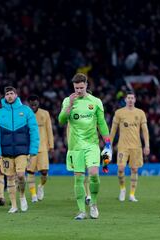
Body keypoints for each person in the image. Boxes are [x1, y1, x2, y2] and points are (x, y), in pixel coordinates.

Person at [58, 73, 111, 220]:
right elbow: (61, 120)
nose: (79, 90)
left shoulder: (96, 102)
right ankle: (81, 211)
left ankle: (93, 204)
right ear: (73, 87)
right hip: (75, 147)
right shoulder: (68, 101)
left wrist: (107, 142)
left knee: (94, 174)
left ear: (86, 85)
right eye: (76, 88)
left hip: (92, 145)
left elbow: (101, 123)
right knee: (79, 179)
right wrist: (69, 105)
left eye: (81, 87)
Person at [0, 86, 39, 213]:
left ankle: (22, 196)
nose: (10, 96)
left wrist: (33, 150)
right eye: (7, 94)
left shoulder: (26, 111)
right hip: (6, 152)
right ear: (4, 96)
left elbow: (34, 131)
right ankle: (14, 205)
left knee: (21, 175)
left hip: (22, 151)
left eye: (11, 93)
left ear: (16, 95)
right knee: (10, 178)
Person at [110, 91, 150, 202]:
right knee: (121, 168)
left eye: (132, 98)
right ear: (125, 99)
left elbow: (145, 130)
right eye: (128, 98)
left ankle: (132, 194)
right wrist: (109, 144)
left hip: (136, 146)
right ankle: (122, 189)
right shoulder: (119, 113)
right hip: (122, 146)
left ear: (135, 99)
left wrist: (147, 145)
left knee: (134, 169)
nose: (130, 100)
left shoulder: (140, 113)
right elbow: (113, 130)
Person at [26, 95, 54, 202]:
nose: (33, 105)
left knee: (44, 172)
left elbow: (49, 130)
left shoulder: (45, 113)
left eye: (35, 103)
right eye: (31, 103)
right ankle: (33, 195)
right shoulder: (25, 114)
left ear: (38, 103)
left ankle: (41, 187)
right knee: (30, 172)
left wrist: (51, 145)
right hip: (29, 148)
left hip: (42, 147)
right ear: (29, 103)